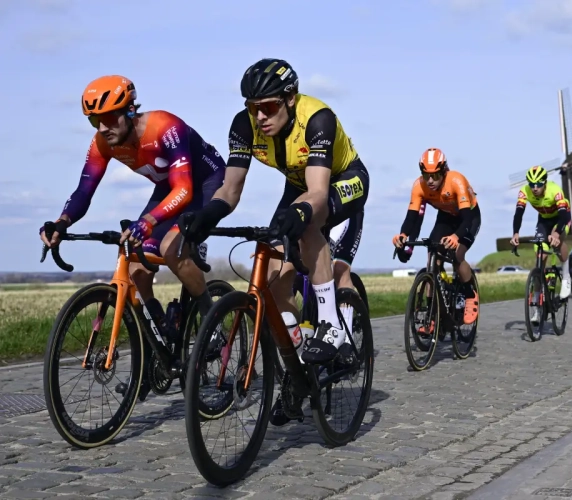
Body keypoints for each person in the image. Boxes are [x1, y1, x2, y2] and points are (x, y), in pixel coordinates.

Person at [39, 75, 226, 399]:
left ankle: (214, 325)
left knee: (170, 249)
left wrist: (149, 222)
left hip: (205, 181)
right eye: (95, 120)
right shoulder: (103, 142)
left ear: (129, 111)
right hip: (169, 187)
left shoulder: (164, 127)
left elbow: (185, 189)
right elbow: (84, 190)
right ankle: (159, 340)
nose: (103, 127)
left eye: (110, 118)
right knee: (135, 265)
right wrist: (61, 222)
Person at [177, 58, 369, 369]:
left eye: (268, 106)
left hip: (343, 180)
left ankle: (332, 324)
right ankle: (297, 357)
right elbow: (230, 188)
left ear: (290, 98)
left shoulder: (318, 119)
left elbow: (318, 193)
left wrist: (303, 213)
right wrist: (208, 214)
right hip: (297, 186)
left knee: (309, 226)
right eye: (253, 107)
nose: (260, 116)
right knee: (271, 274)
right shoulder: (244, 126)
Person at [392, 148, 481, 329]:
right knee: (433, 260)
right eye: (426, 176)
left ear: (444, 171)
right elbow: (412, 216)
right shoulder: (419, 186)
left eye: (435, 175)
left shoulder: (456, 180)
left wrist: (456, 236)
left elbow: (466, 218)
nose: (430, 181)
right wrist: (403, 235)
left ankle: (470, 294)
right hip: (446, 217)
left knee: (457, 255)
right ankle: (434, 316)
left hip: (468, 217)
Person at [509, 165, 572, 318]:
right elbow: (519, 213)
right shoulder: (525, 192)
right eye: (532, 185)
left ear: (545, 182)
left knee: (555, 242)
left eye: (538, 184)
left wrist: (557, 234)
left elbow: (563, 216)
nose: (535, 188)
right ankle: (537, 303)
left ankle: (566, 276)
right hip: (543, 220)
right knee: (541, 256)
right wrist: (515, 233)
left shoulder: (555, 190)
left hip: (561, 219)